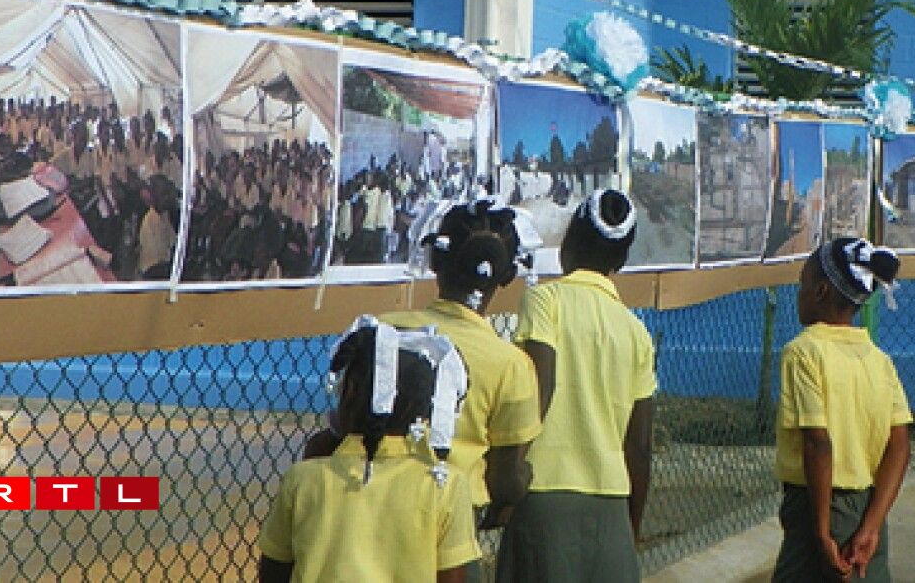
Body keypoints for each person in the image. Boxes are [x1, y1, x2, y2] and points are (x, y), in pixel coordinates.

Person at [497, 189, 654, 583]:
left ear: (569, 243)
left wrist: (507, 478)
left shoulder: (545, 302)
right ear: (620, 259)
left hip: (543, 496)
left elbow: (538, 393)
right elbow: (640, 447)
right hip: (612, 505)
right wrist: (630, 527)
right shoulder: (636, 332)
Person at [380, 200, 542, 583]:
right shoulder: (511, 365)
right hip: (450, 534)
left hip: (367, 514)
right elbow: (507, 480)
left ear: (436, 262)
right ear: (503, 277)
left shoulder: (384, 333)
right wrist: (520, 483)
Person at [259, 315, 477, 583]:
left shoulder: (303, 478)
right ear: (425, 410)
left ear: (349, 392)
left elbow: (273, 572)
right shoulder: (445, 486)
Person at [773, 238, 912, 583]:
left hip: (816, 505)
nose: (799, 292)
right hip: (868, 508)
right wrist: (872, 525)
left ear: (820, 292)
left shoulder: (803, 352)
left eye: (801, 283)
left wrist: (822, 532)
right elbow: (900, 446)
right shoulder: (879, 360)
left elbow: (817, 443)